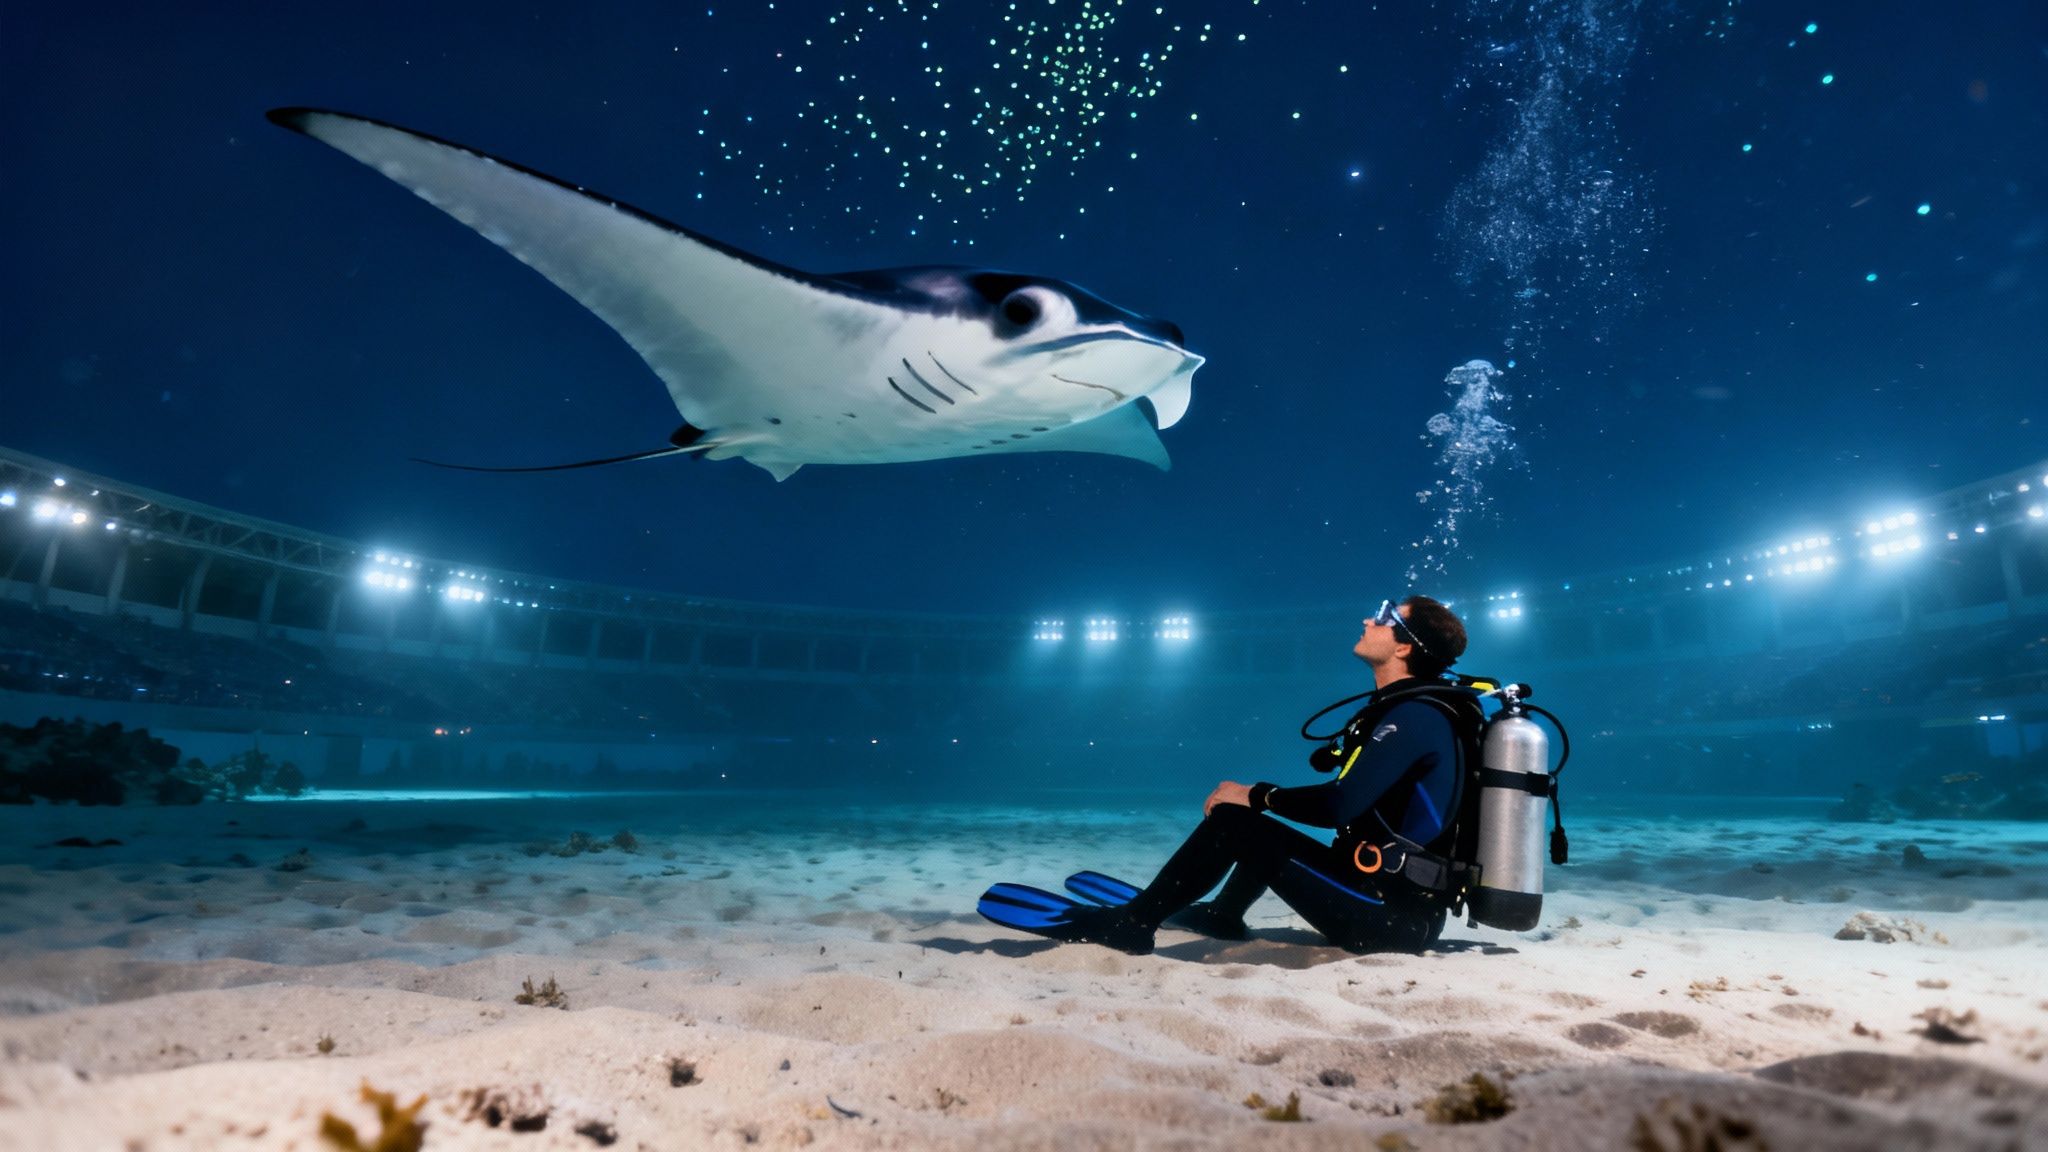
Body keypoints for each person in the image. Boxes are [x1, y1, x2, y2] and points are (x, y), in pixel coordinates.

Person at [1041, 595, 1478, 956]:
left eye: (1385, 618)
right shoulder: (1413, 711)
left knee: (1234, 820)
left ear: (1404, 648)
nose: (1368, 618)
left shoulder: (1418, 716)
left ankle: (1132, 923)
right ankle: (1224, 915)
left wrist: (1255, 794)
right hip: (1385, 901)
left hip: (1389, 918)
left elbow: (1338, 805)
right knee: (1257, 822)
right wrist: (1261, 799)